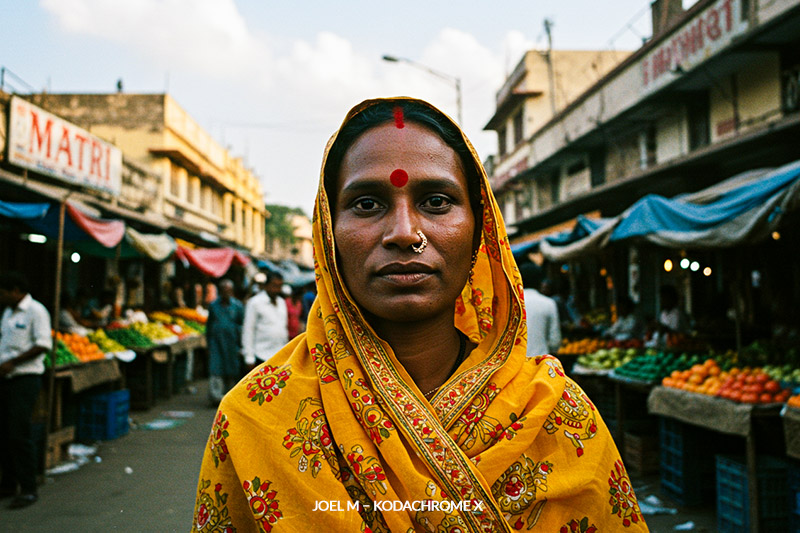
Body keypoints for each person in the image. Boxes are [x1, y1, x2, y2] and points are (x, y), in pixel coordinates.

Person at [192, 98, 647, 531]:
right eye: (367, 204)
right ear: (327, 234)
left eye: (436, 202)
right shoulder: (256, 418)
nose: (405, 233)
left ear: (479, 233)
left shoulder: (556, 414)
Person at [0, 271, 52, 509]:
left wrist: (13, 363)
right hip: (6, 379)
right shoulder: (8, 313)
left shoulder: (36, 311)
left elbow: (43, 344)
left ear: (15, 291)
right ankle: (9, 484)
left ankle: (29, 488)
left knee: (19, 433)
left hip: (25, 379)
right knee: (5, 433)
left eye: (3, 292)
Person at [206, 280, 245, 404]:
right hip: (216, 342)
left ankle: (230, 397)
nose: (226, 293)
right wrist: (208, 343)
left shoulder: (237, 306)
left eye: (228, 290)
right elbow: (209, 325)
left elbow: (242, 323)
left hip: (232, 342)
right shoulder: (213, 306)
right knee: (216, 368)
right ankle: (216, 397)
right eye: (223, 290)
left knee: (232, 368)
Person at [240, 271, 288, 371]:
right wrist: (249, 357)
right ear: (266, 286)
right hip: (261, 356)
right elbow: (248, 330)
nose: (277, 289)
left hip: (279, 356)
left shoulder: (281, 302)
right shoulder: (255, 302)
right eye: (274, 285)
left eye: (279, 286)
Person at [520, 263, 562, 356]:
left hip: (514, 364)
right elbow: (555, 341)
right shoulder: (548, 303)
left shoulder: (512, 303)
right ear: (540, 282)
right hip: (540, 362)